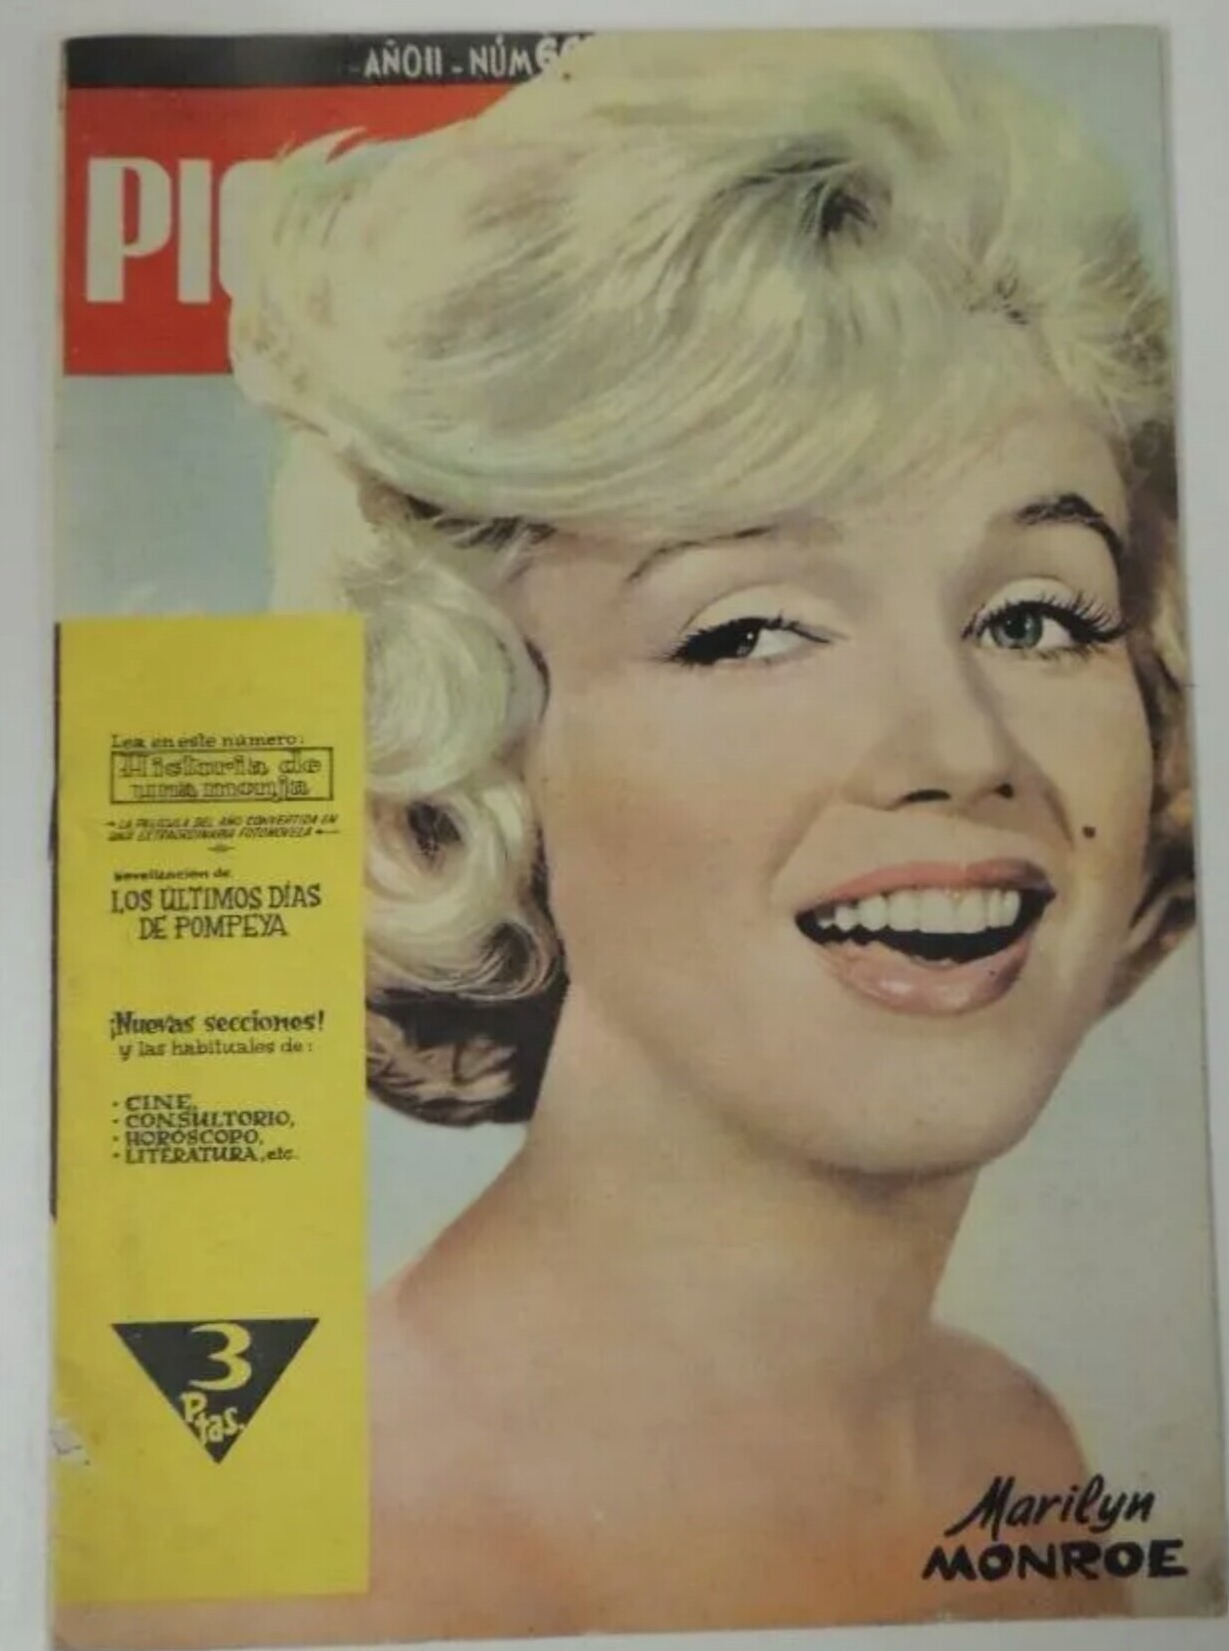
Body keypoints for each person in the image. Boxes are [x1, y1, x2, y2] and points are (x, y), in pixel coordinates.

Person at [65, 28, 1195, 1646]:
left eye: (1036, 615)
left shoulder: (1005, 1454)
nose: (959, 749)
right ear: (472, 760)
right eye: (750, 631)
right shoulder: (312, 1581)